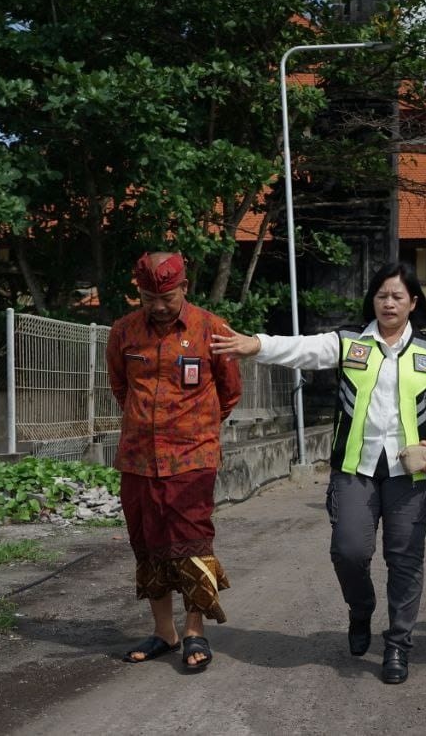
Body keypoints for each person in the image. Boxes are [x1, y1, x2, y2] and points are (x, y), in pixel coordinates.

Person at [211, 261, 426, 684]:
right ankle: (360, 611)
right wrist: (256, 344)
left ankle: (398, 646)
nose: (388, 302)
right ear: (373, 301)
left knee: (405, 560)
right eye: (382, 295)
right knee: (349, 552)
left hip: (411, 476)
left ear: (412, 302)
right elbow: (301, 348)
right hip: (354, 470)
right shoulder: (349, 343)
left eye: (398, 296)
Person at [106, 251, 243, 671]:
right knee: (148, 545)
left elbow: (230, 391)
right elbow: (119, 386)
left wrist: (193, 429)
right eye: (149, 296)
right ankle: (164, 632)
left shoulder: (212, 329)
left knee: (191, 546)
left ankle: (194, 631)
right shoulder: (123, 332)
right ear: (140, 293)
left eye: (167, 296)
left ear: (184, 288)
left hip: (192, 458)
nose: (159, 305)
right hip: (138, 459)